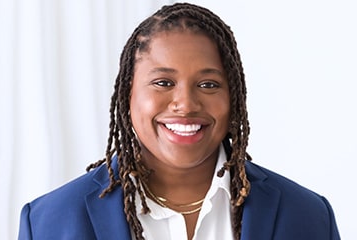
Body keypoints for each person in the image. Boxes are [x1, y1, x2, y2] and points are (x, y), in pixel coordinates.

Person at [18, 2, 340, 240]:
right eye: (163, 82)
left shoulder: (308, 216)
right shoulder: (48, 223)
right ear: (128, 94)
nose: (185, 104)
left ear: (235, 99)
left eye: (208, 85)